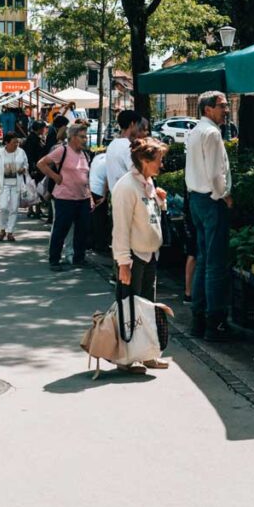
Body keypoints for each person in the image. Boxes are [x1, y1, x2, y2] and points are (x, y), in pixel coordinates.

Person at [112, 136, 172, 371]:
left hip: (149, 255)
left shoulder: (147, 183)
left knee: (147, 307)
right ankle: (125, 358)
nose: (161, 165)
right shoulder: (127, 187)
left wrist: (161, 202)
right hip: (134, 257)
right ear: (144, 160)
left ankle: (147, 353)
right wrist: (123, 263)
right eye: (158, 160)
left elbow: (150, 218)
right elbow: (121, 228)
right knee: (129, 307)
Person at [185, 90, 234, 342]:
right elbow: (216, 174)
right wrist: (224, 194)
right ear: (208, 109)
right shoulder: (212, 133)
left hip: (197, 199)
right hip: (211, 200)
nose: (226, 110)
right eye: (222, 106)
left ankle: (199, 320)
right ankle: (215, 323)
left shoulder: (196, 131)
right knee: (215, 263)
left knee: (204, 259)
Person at [38, 123, 91, 271]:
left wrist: (90, 196)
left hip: (83, 197)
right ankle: (54, 259)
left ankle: (79, 258)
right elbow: (41, 164)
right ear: (73, 137)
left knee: (82, 229)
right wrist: (55, 177)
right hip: (65, 197)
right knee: (61, 229)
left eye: (85, 136)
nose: (85, 139)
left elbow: (87, 176)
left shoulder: (85, 154)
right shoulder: (63, 150)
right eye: (82, 137)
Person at [0, 132, 28, 241]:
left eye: (17, 142)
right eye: (14, 142)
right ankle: (2, 229)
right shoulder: (0, 152)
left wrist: (23, 169)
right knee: (3, 207)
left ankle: (10, 231)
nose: (16, 144)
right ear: (7, 142)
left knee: (14, 208)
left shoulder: (21, 152)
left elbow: (26, 164)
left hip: (16, 184)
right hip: (4, 184)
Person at [105, 110, 142, 193]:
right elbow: (136, 172)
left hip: (115, 194)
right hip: (127, 196)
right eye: (138, 125)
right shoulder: (126, 146)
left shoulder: (112, 144)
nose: (138, 129)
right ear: (132, 124)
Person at [23, 120, 47, 217]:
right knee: (35, 188)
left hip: (34, 166)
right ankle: (35, 209)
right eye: (43, 128)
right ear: (40, 129)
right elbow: (30, 154)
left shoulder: (34, 138)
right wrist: (33, 167)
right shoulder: (33, 139)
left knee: (32, 187)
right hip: (34, 167)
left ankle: (34, 209)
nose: (44, 130)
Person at [89, 149, 110, 253]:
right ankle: (100, 245)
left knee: (93, 218)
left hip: (91, 188)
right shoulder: (110, 160)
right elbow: (107, 179)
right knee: (100, 219)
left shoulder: (97, 158)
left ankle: (90, 242)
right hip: (99, 191)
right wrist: (105, 196)